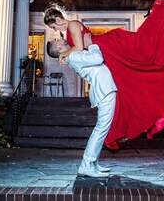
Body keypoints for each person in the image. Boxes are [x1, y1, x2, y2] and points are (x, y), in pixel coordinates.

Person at [44, 0, 164, 149]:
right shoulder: (67, 32)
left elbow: (79, 48)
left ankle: (161, 24)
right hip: (105, 54)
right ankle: (117, 132)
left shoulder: (72, 25)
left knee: (144, 52)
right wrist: (65, 54)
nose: (54, 30)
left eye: (53, 27)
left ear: (58, 20)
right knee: (127, 87)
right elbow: (80, 50)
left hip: (107, 48)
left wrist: (63, 55)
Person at [47, 33, 117, 178]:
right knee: (102, 128)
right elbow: (98, 59)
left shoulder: (73, 55)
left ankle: (92, 163)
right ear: (59, 47)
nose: (59, 37)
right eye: (56, 40)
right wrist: (91, 44)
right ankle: (86, 165)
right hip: (104, 89)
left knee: (102, 128)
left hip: (105, 88)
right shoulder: (73, 57)